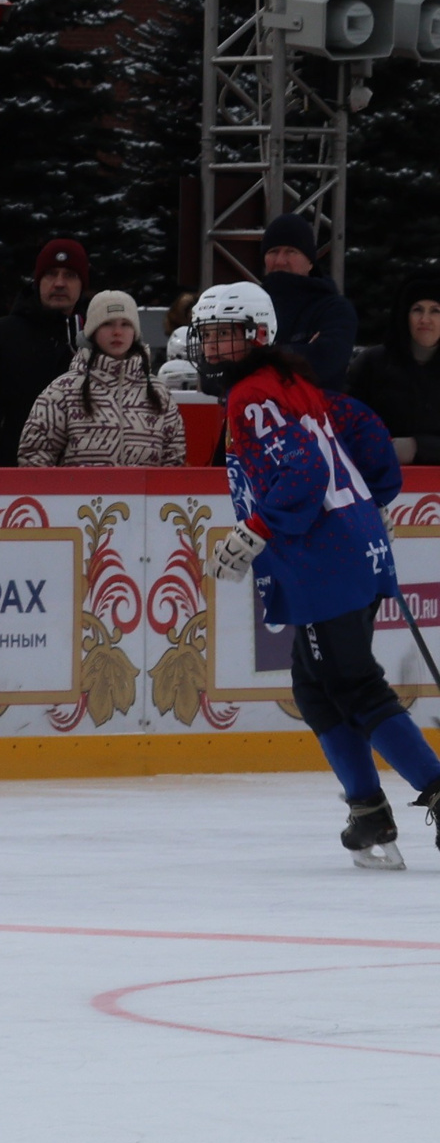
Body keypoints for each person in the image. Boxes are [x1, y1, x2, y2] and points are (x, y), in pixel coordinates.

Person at [197, 279, 439, 868]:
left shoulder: (252, 395)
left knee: (352, 685)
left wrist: (258, 528)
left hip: (321, 559)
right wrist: (369, 502)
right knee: (316, 684)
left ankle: (430, 786)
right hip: (348, 549)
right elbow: (364, 430)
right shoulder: (291, 380)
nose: (212, 348)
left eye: (225, 336)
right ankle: (367, 811)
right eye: (208, 336)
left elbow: (302, 469)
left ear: (256, 335)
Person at [0, 237, 88, 466]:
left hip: (85, 487)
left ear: (83, 284)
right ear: (37, 281)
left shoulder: (97, 340)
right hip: (6, 480)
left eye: (70, 275)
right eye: (51, 274)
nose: (60, 283)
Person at [17, 289, 185, 468]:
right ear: (92, 331)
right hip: (78, 495)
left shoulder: (159, 393)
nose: (117, 332)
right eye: (107, 324)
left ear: (135, 332)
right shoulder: (61, 391)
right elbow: (35, 458)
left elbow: (174, 461)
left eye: (125, 324)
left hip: (143, 496)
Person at [346, 269, 440, 466]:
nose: (425, 319)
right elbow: (346, 424)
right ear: (405, 315)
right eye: (417, 309)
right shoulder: (372, 363)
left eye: (435, 311)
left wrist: (418, 448)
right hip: (381, 484)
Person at [256, 213, 358, 393]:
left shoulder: (334, 310)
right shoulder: (246, 306)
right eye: (273, 251)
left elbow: (325, 362)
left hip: (316, 417)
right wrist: (299, 352)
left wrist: (253, 357)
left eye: (290, 251)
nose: (280, 261)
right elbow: (212, 376)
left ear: (310, 262)